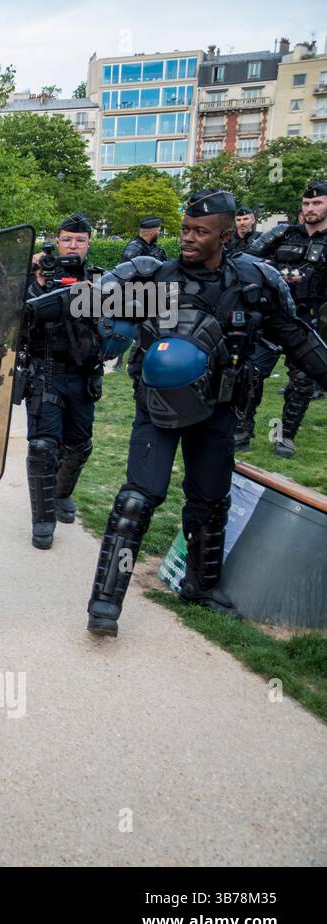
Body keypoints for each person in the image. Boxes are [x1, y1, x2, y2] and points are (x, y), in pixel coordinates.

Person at [86, 190, 327, 636]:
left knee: (210, 501)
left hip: (217, 408)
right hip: (157, 409)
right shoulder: (156, 279)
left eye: (200, 231)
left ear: (225, 233)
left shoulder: (254, 283)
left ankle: (199, 586)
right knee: (138, 499)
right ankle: (105, 600)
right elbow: (90, 310)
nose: (189, 239)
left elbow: (296, 337)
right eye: (185, 230)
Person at [19, 213, 104, 549]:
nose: (72, 246)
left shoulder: (97, 280)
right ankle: (43, 520)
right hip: (46, 372)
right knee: (43, 447)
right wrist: (35, 277)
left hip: (83, 374)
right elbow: (16, 310)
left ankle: (61, 492)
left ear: (88, 244)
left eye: (79, 241)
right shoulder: (37, 275)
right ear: (57, 240)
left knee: (79, 445)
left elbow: (120, 315)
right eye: (67, 240)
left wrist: (94, 296)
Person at [242, 181, 327, 458]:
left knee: (301, 381)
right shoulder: (282, 234)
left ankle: (285, 436)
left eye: (317, 203)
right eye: (306, 204)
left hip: (309, 323)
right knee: (251, 375)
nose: (311, 208)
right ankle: (243, 431)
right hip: (272, 319)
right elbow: (244, 261)